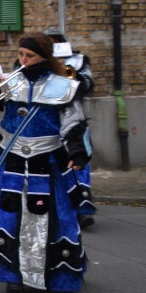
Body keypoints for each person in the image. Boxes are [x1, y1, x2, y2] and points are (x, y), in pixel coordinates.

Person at [0, 33, 90, 293]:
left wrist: (77, 152)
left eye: (30, 55)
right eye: (21, 54)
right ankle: (14, 276)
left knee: (57, 216)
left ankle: (57, 275)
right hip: (13, 158)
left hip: (48, 159)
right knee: (10, 215)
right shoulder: (9, 83)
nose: (23, 60)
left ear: (44, 57)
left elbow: (74, 122)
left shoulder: (63, 85)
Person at [43, 27, 96, 229]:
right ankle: (60, 209)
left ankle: (83, 208)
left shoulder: (78, 60)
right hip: (48, 118)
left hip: (72, 116)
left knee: (78, 160)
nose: (52, 45)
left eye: (55, 41)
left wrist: (69, 71)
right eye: (48, 42)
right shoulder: (36, 61)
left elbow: (88, 85)